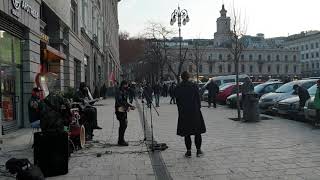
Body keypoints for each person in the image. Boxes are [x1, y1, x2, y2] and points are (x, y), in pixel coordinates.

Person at [175, 71, 206, 158]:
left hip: (184, 112)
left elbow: (177, 101)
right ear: (188, 77)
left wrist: (180, 111)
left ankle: (188, 152)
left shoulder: (178, 87)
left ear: (181, 77)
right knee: (197, 132)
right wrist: (198, 108)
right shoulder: (193, 85)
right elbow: (198, 98)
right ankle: (198, 151)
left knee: (187, 133)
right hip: (194, 111)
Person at [115, 80, 135, 146]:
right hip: (119, 110)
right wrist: (127, 106)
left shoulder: (124, 91)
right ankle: (121, 141)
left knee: (124, 125)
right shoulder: (119, 91)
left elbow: (125, 101)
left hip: (123, 110)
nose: (127, 86)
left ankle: (121, 139)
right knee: (123, 125)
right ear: (123, 85)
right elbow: (120, 101)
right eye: (126, 85)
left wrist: (130, 106)